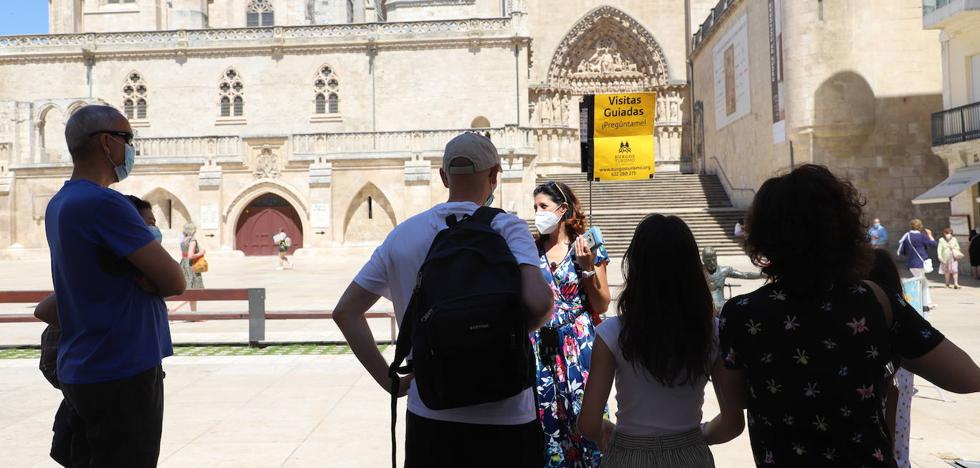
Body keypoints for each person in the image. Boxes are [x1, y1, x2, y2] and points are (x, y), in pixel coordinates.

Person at [714, 164, 980, 467]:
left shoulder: (742, 314)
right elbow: (967, 377)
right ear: (844, 228)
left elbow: (734, 404)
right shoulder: (875, 301)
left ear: (763, 235)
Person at [332, 132, 554, 467]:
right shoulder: (508, 228)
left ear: (443, 175)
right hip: (507, 413)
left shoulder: (403, 236)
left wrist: (389, 380)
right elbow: (539, 305)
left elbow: (346, 312)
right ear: (495, 174)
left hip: (431, 410)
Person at [43, 105, 186, 466]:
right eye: (128, 139)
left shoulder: (61, 202)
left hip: (86, 366)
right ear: (107, 144)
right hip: (121, 367)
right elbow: (174, 280)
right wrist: (150, 280)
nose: (132, 148)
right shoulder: (104, 204)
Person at [580, 214, 744, 467]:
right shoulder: (713, 332)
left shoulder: (612, 333)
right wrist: (698, 435)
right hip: (689, 454)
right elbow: (733, 423)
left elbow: (588, 423)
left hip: (628, 454)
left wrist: (609, 432)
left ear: (634, 267)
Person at [531, 181, 611, 467]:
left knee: (585, 415)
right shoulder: (529, 249)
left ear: (562, 209)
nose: (538, 213)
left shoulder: (586, 244)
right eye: (535, 207)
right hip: (541, 346)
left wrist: (587, 266)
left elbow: (603, 303)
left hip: (578, 345)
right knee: (546, 417)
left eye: (544, 207)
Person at [702, 247, 762, 313]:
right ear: (703, 260)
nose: (712, 262)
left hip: (720, 307)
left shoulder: (724, 270)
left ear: (716, 257)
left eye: (713, 259)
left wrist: (762, 275)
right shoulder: (698, 271)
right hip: (705, 308)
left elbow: (745, 275)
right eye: (708, 260)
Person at [897, 219, 938, 310]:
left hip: (911, 263)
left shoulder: (906, 236)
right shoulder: (921, 236)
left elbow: (903, 251)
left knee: (922, 282)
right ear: (920, 226)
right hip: (921, 263)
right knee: (922, 283)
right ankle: (926, 303)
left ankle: (924, 302)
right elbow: (934, 244)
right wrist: (930, 235)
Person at [172, 223, 205, 313]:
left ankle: (194, 314)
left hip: (184, 264)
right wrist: (201, 253)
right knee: (194, 291)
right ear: (193, 230)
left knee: (192, 289)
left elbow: (185, 254)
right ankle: (173, 308)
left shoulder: (183, 240)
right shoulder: (192, 240)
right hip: (191, 266)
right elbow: (190, 255)